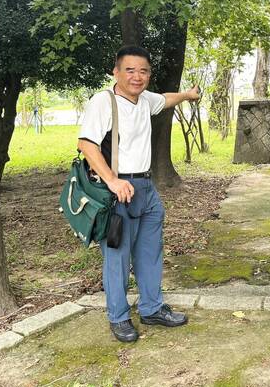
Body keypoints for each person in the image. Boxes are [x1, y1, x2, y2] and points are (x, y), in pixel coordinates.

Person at [77, 45, 201, 343]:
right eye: (129, 70)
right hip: (119, 190)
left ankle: (151, 308)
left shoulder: (145, 99)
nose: (137, 76)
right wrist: (112, 181)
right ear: (115, 71)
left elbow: (165, 100)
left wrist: (187, 95)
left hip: (146, 189)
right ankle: (118, 317)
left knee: (149, 253)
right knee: (117, 257)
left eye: (143, 71)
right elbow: (87, 144)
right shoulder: (103, 102)